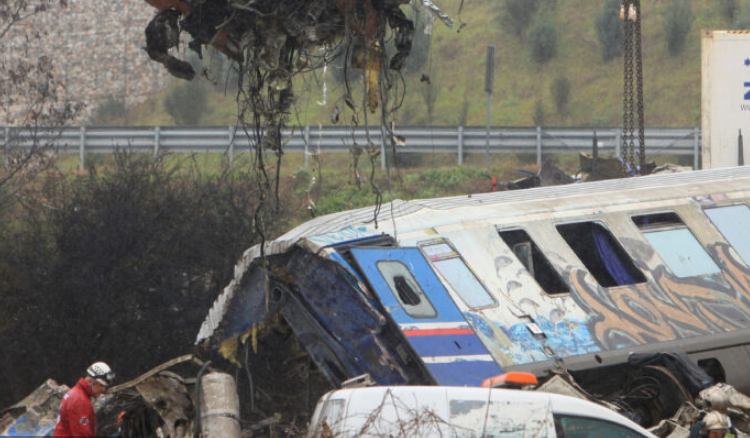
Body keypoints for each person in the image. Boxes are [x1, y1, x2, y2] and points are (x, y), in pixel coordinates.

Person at [54, 362, 115, 437]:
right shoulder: (80, 401)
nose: (103, 389)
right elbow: (82, 435)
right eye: (101, 385)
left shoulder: (75, 393)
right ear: (90, 381)